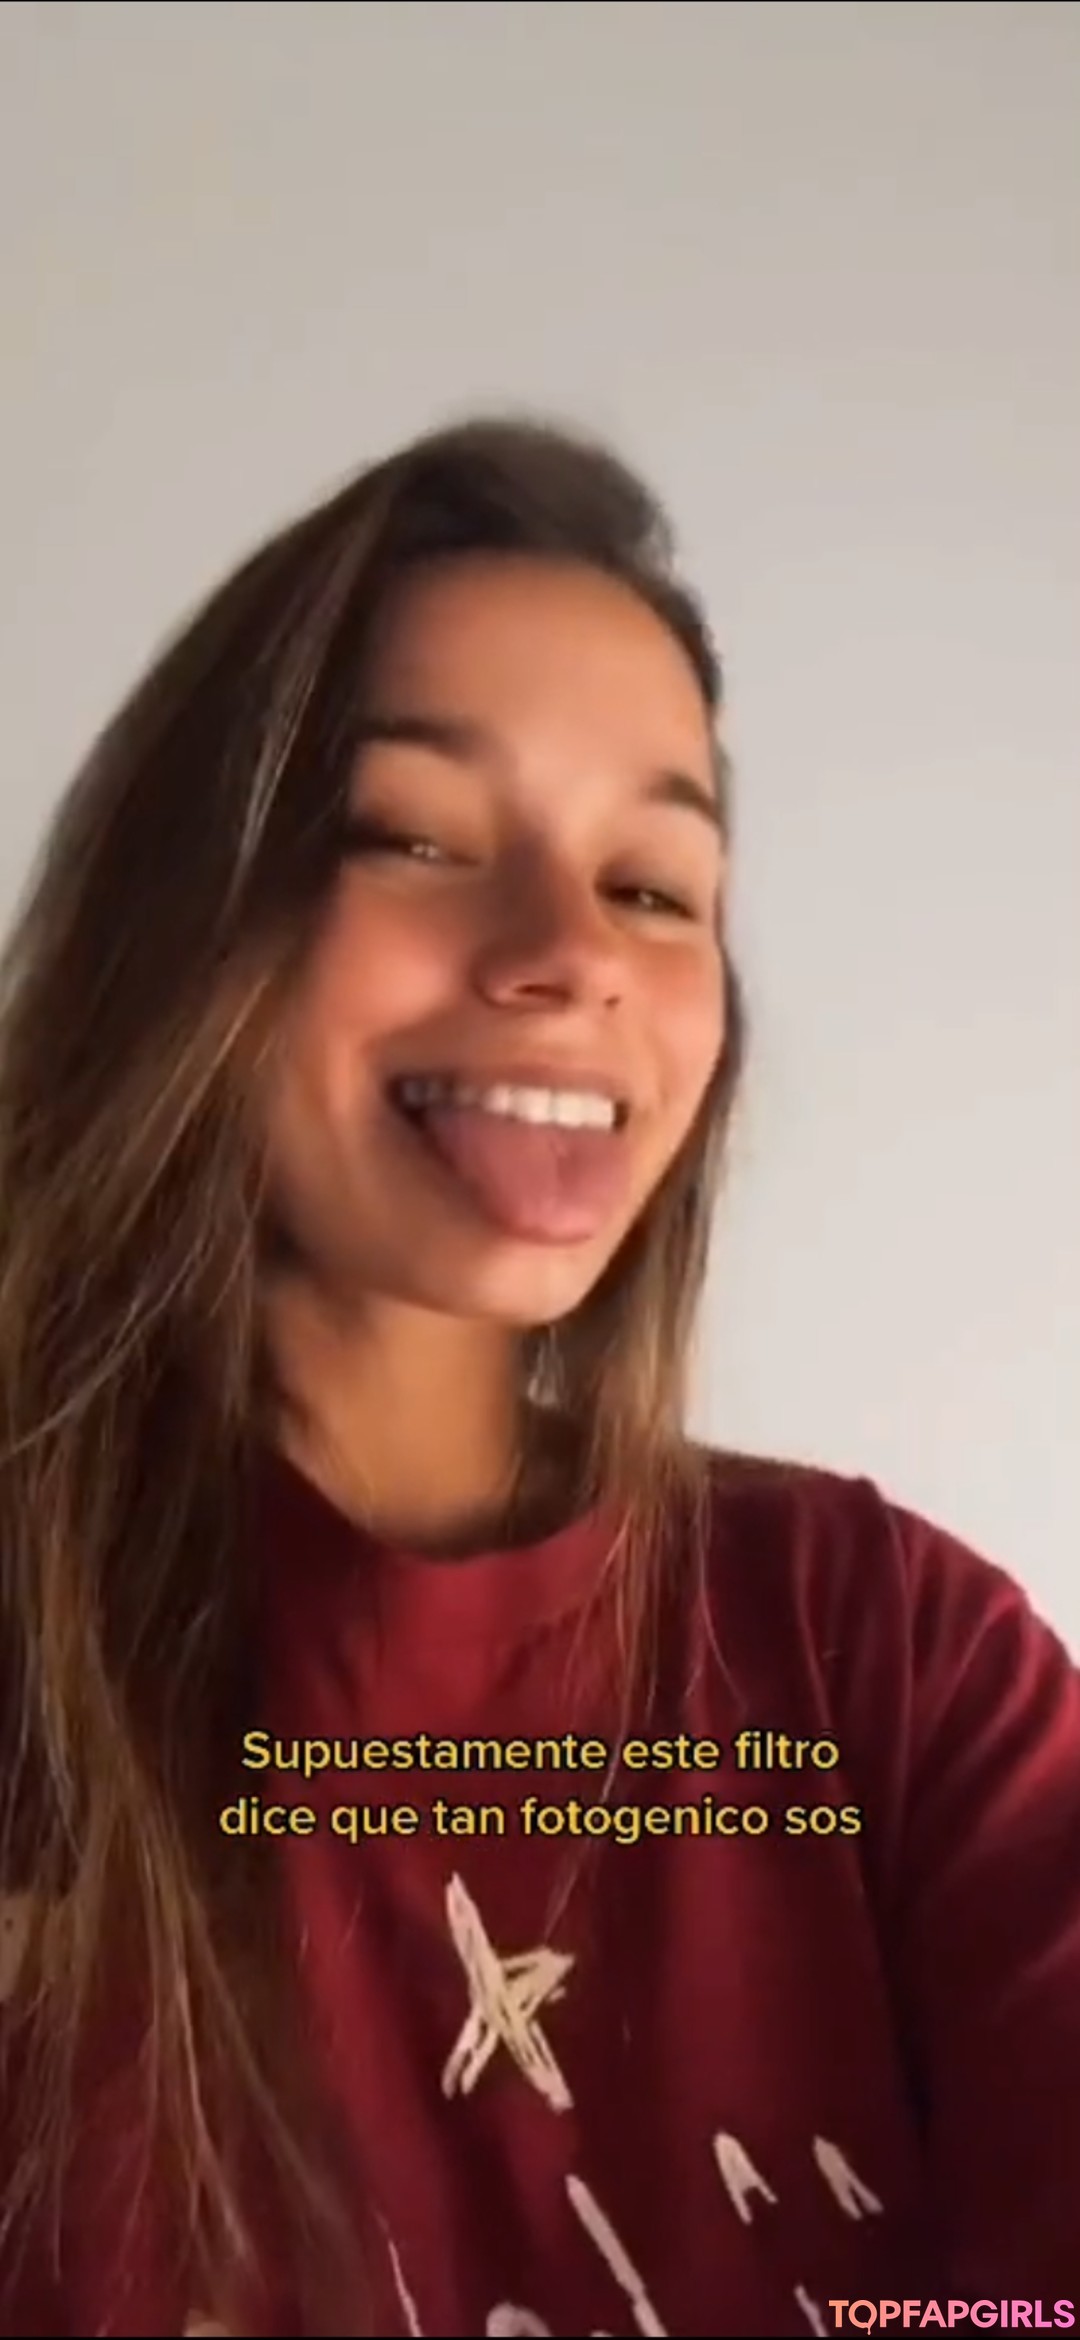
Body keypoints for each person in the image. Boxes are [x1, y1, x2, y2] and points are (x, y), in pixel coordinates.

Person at [0, 417, 1076, 2340]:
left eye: (654, 885)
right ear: (193, 916)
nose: (572, 957)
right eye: (417, 839)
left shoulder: (892, 1659)